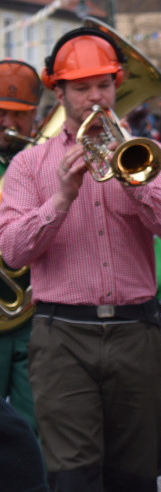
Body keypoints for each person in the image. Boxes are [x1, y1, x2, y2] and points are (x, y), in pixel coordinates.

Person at [0, 28, 161, 491]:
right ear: (59, 92)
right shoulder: (30, 166)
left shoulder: (150, 154)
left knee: (135, 478)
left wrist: (136, 183)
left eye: (104, 86)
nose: (95, 98)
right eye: (82, 88)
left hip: (136, 332)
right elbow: (13, 249)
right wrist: (61, 198)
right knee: (73, 480)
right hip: (60, 335)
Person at [0, 59, 41, 434]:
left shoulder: (45, 162)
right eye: (1, 113)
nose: (9, 124)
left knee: (37, 429)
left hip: (35, 318)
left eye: (19, 115)